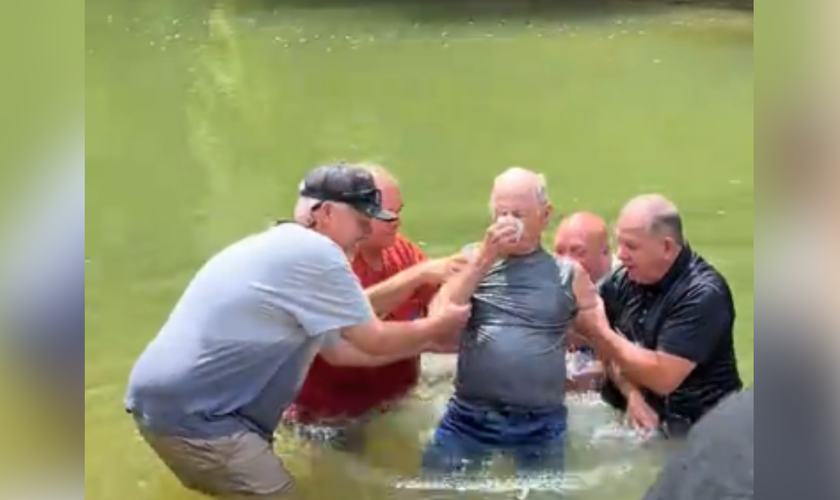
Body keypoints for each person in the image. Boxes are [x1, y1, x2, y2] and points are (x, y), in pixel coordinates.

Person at [124, 164, 471, 499]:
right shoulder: (319, 253)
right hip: (202, 419)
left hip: (168, 407)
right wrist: (439, 324)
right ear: (326, 213)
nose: (366, 233)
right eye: (361, 222)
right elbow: (373, 338)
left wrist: (438, 344)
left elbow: (342, 352)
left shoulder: (284, 247)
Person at [421, 167, 602, 475]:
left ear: (545, 215)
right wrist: (483, 260)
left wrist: (632, 395)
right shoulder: (471, 261)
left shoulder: (568, 275)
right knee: (434, 486)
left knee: (547, 493)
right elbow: (436, 320)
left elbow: (603, 338)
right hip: (469, 416)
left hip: (541, 422)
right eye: (501, 214)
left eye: (518, 214)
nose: (507, 223)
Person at [285, 165, 463, 449]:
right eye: (385, 214)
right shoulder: (319, 262)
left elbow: (444, 304)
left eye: (398, 212)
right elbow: (342, 322)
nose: (396, 221)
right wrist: (418, 280)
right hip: (327, 419)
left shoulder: (401, 251)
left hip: (395, 400)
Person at [585, 194, 743, 437]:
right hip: (642, 422)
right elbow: (609, 350)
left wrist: (600, 332)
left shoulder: (703, 295)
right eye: (619, 243)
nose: (621, 255)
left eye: (631, 246)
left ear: (667, 247)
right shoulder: (622, 281)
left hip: (702, 434)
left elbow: (662, 378)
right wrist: (632, 394)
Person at [554, 212, 614, 391]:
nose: (566, 262)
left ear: (605, 254)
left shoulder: (626, 292)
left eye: (578, 253)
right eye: (559, 252)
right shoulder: (545, 288)